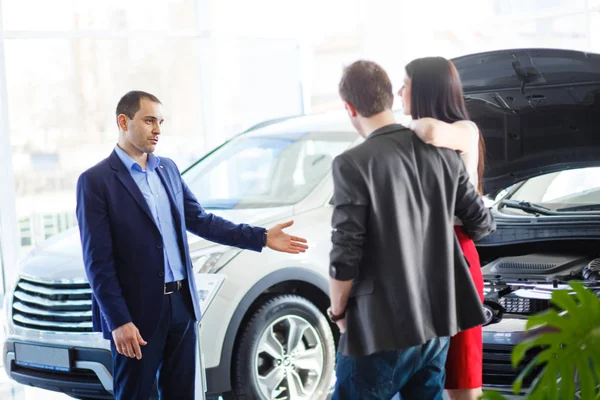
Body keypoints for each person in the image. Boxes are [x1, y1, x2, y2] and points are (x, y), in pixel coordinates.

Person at [75, 91, 309, 400]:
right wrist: (119, 321)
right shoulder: (96, 181)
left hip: (181, 308)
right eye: (148, 121)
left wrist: (261, 237)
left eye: (160, 121)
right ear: (123, 121)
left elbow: (202, 220)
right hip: (137, 315)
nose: (157, 129)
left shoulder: (167, 170)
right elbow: (98, 262)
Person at [327, 60, 495, 400]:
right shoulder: (443, 154)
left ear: (349, 107)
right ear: (390, 97)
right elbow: (482, 222)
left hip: (380, 326)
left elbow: (345, 251)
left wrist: (338, 310)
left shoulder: (352, 163)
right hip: (437, 324)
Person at [401, 56, 487, 400]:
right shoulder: (412, 138)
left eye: (404, 85)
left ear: (424, 90)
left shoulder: (463, 131)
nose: (398, 93)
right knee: (424, 375)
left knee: (462, 380)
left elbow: (432, 131)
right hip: (418, 256)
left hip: (456, 257)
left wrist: (389, 127)